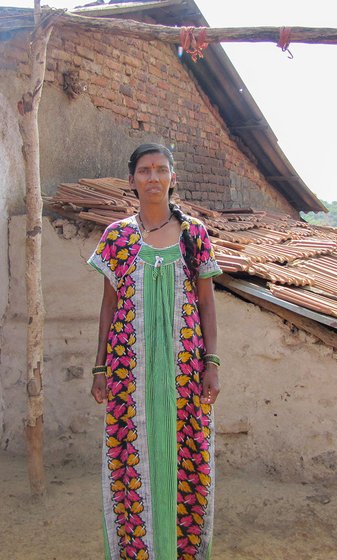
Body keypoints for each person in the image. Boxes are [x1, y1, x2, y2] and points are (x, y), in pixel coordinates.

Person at [88, 143, 222, 560]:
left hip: (185, 370)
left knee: (188, 454)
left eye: (160, 169)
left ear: (172, 177)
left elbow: (206, 302)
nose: (152, 177)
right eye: (144, 170)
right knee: (133, 453)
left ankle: (182, 551)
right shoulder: (117, 236)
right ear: (132, 179)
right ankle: (138, 551)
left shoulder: (194, 234)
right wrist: (99, 367)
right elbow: (109, 305)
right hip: (129, 370)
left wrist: (211, 363)